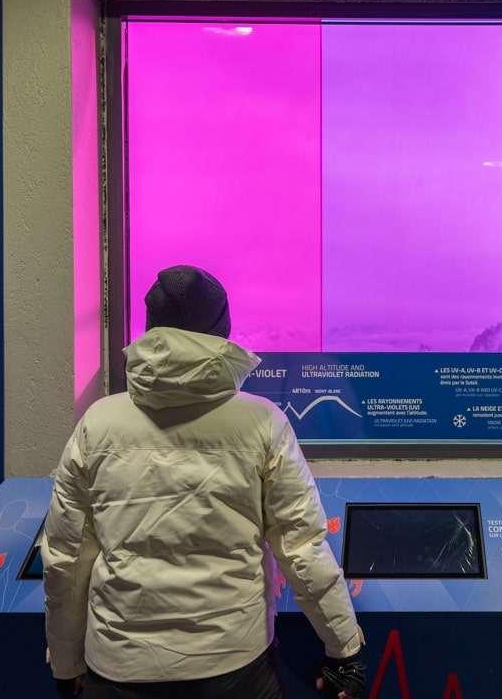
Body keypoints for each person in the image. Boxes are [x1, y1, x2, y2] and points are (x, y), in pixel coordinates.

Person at [42, 265, 366, 699]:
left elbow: (66, 558)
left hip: (118, 668)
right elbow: (301, 547)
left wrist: (66, 661)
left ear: (151, 330)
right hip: (234, 667)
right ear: (222, 333)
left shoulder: (97, 424)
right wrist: (343, 650)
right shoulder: (262, 423)